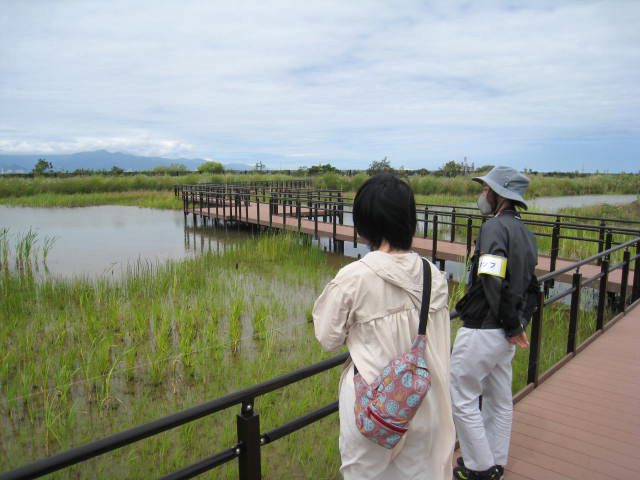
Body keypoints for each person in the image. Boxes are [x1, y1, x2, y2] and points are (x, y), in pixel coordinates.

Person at [313, 173, 455, 480]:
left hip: (374, 408)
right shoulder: (434, 275)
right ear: (409, 221)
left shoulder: (354, 277)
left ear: (364, 224)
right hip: (425, 401)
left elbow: (327, 337)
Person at [450, 166, 538, 480]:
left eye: (486, 189)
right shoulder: (526, 233)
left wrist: (511, 324)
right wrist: (517, 324)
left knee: (461, 397)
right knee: (500, 400)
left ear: (498, 194)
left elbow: (490, 277)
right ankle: (494, 461)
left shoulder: (493, 228)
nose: (482, 194)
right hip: (505, 335)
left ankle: (479, 469)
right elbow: (531, 286)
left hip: (484, 329)